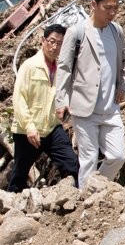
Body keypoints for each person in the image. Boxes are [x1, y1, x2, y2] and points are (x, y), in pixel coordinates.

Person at [56, 0, 125, 186]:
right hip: (84, 107)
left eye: (116, 7)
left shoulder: (117, 31)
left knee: (117, 156)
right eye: (107, 7)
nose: (112, 12)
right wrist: (61, 101)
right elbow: (63, 68)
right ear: (93, 4)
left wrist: (123, 85)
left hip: (110, 108)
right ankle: (85, 204)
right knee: (88, 159)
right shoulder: (77, 32)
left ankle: (96, 190)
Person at [8, 24, 79, 191]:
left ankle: (74, 202)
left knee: (72, 166)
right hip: (28, 131)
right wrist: (29, 126)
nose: (54, 47)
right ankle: (10, 209)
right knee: (20, 174)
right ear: (43, 41)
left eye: (60, 43)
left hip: (52, 128)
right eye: (51, 41)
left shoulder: (62, 68)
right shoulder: (30, 66)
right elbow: (19, 99)